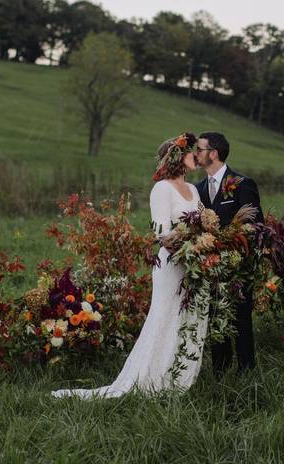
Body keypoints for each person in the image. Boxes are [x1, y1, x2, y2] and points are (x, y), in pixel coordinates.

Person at [52, 133, 206, 399]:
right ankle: (150, 377)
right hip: (173, 263)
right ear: (179, 157)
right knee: (165, 317)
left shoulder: (193, 190)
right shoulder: (162, 189)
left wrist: (204, 245)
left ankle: (179, 377)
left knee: (188, 319)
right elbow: (160, 231)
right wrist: (187, 247)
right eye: (193, 152)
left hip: (194, 265)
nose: (197, 156)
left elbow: (204, 222)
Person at [194, 131, 263, 373]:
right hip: (209, 268)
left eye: (199, 149)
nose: (194, 154)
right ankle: (220, 374)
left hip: (238, 269)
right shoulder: (197, 189)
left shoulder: (243, 184)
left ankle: (247, 373)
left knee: (240, 320)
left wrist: (233, 248)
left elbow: (257, 227)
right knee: (214, 318)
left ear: (213, 153)